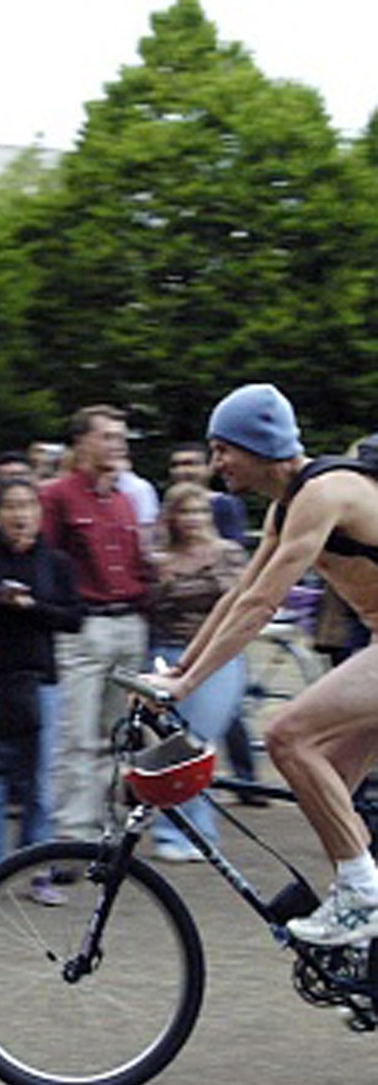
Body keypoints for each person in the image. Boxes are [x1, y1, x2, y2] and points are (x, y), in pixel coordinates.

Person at [139, 383, 378, 946]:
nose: (215, 462)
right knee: (330, 787)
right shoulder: (284, 506)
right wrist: (177, 675)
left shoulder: (325, 494)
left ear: (259, 444)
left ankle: (362, 901)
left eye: (224, 448)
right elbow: (235, 595)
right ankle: (368, 946)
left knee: (287, 737)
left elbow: (262, 603)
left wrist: (188, 681)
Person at [0, 477, 82, 892]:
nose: (21, 515)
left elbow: (73, 618)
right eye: (11, 506)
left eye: (29, 506)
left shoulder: (57, 563)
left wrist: (32, 607)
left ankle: (37, 871)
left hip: (42, 681)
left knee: (39, 784)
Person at [40, 405, 150, 843]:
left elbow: (137, 563)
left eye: (120, 437)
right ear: (81, 442)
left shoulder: (123, 500)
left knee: (117, 736)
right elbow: (44, 559)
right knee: (77, 734)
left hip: (128, 623)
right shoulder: (58, 496)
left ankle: (104, 829)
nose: (117, 445)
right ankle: (72, 832)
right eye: (107, 436)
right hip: (85, 627)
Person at [145, 482, 247, 862]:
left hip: (216, 659)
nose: (194, 519)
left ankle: (197, 832)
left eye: (201, 511)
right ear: (172, 517)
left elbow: (240, 604)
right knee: (171, 744)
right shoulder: (158, 560)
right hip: (167, 653)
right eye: (186, 512)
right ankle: (174, 830)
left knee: (199, 741)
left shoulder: (229, 554)